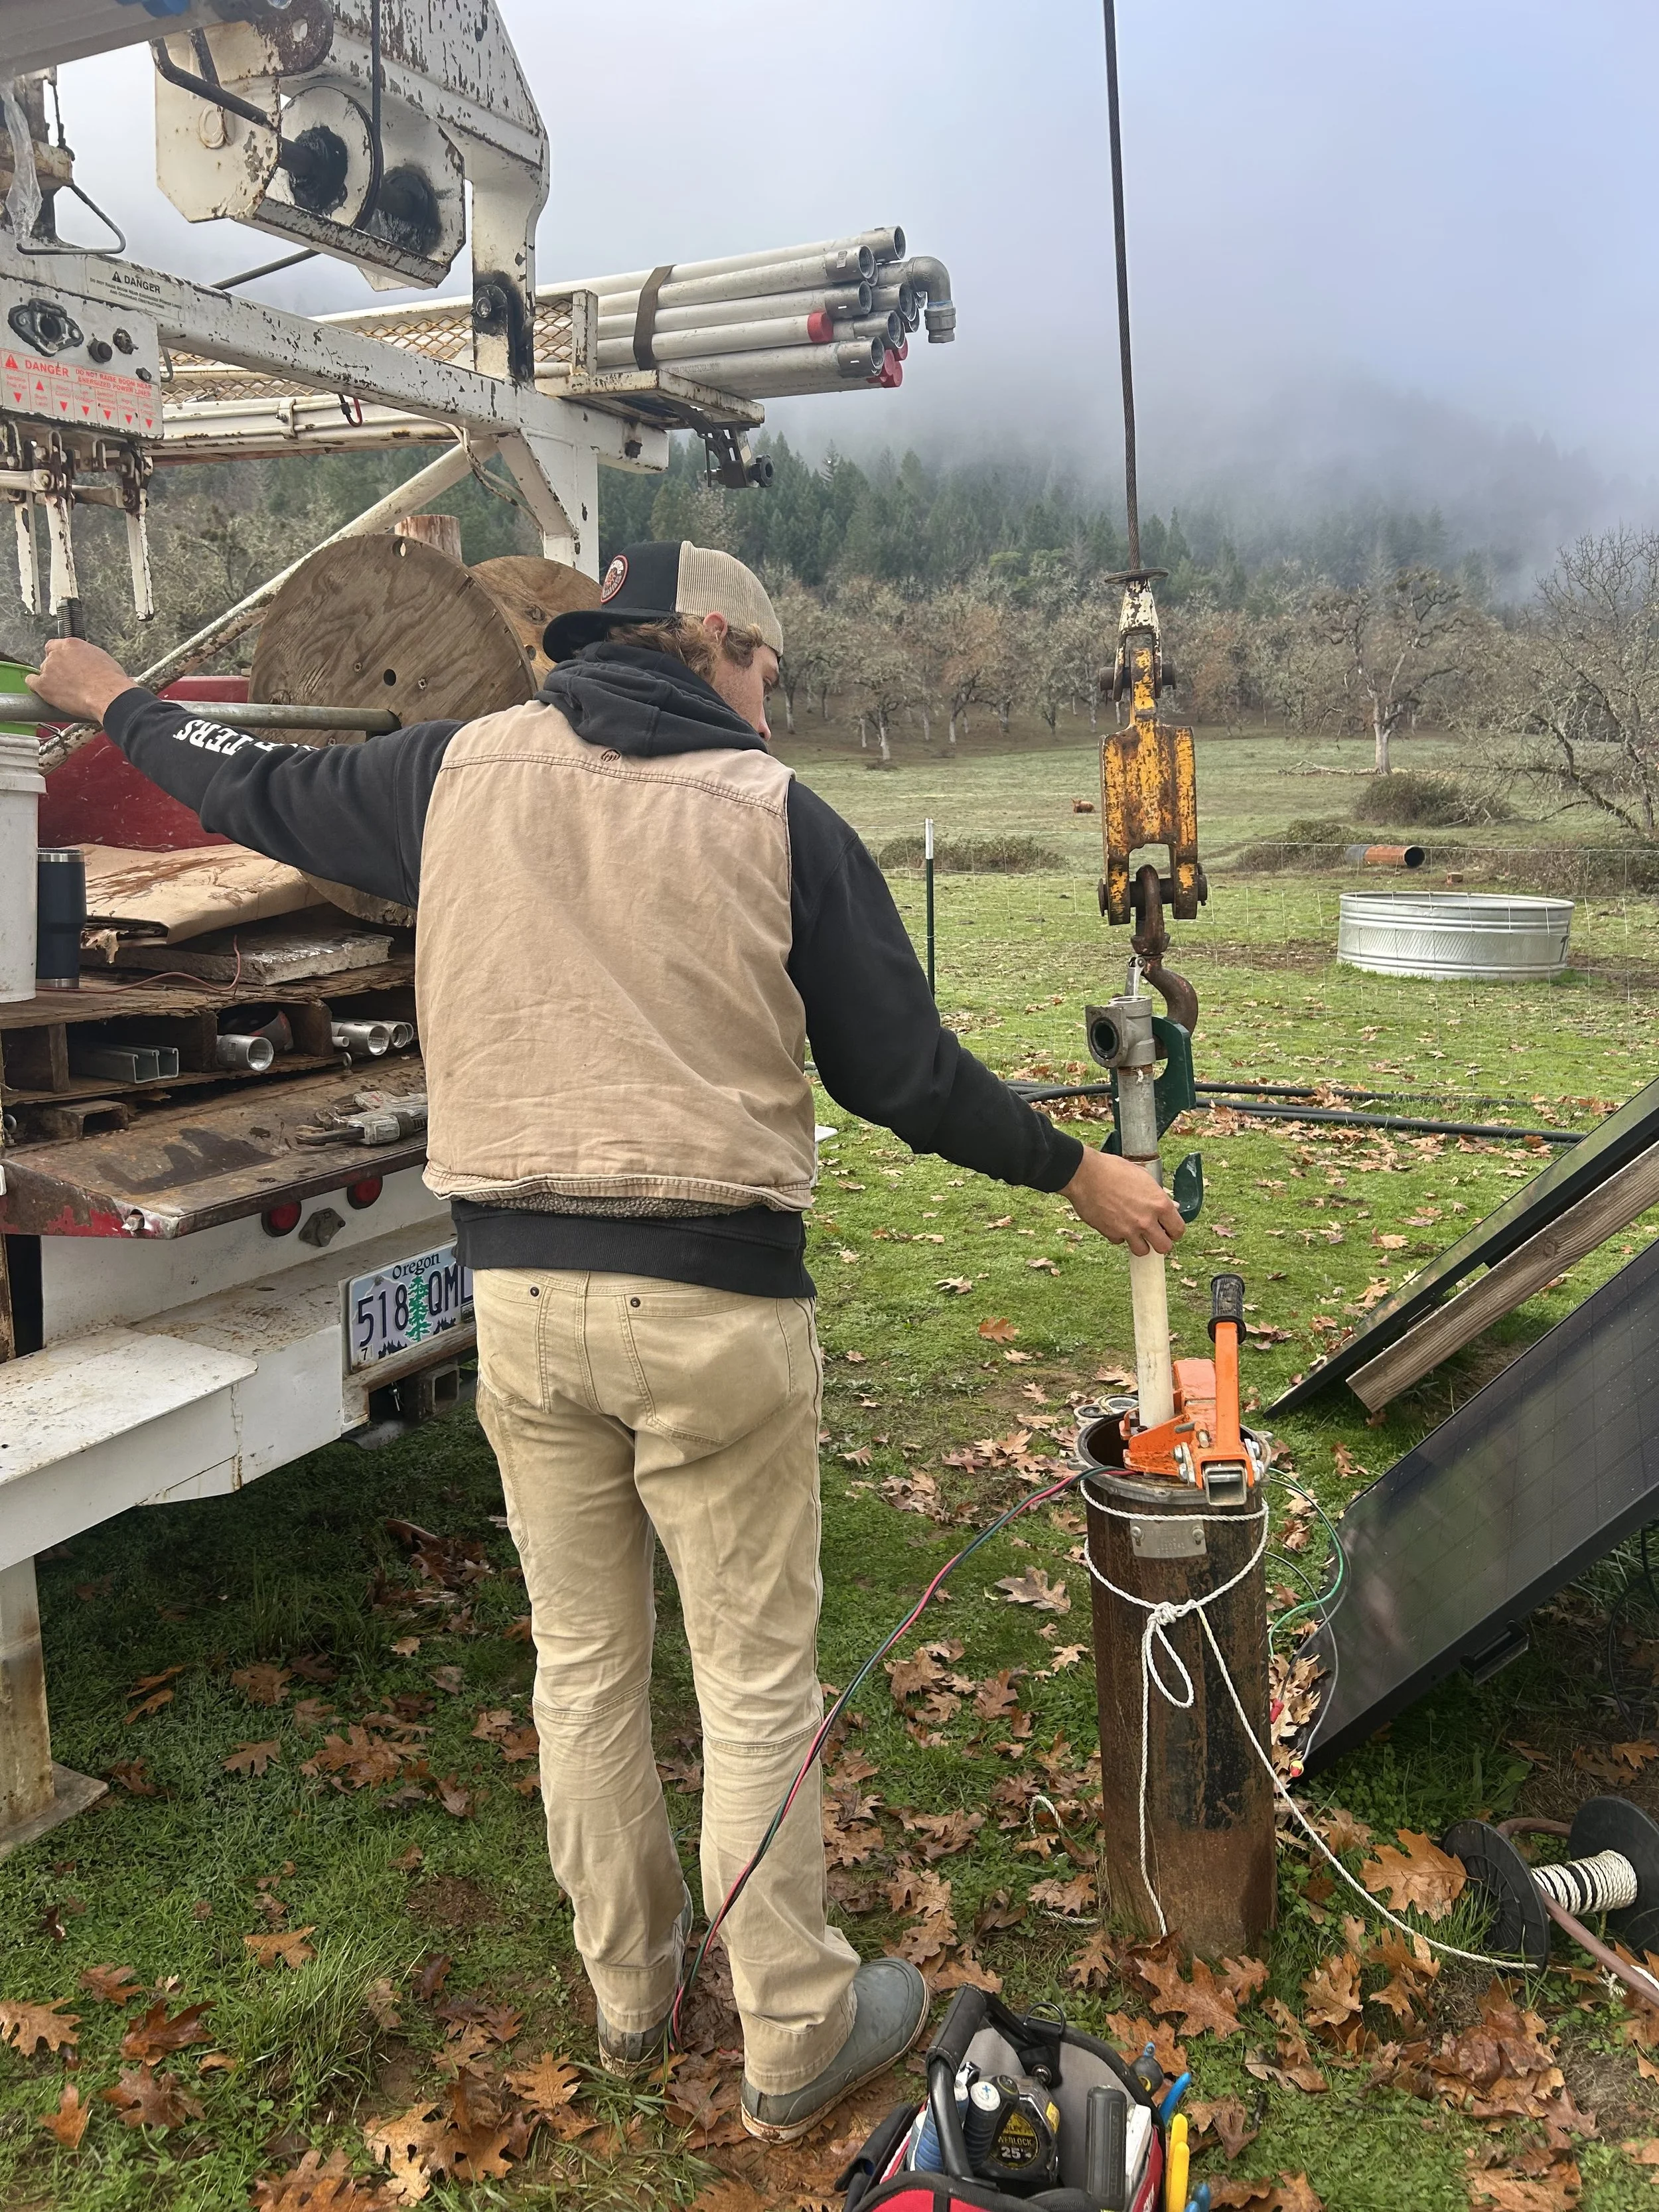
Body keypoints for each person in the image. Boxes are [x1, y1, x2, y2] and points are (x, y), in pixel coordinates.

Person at [31, 540, 1184, 2142]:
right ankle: (792, 2030)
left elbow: (252, 786)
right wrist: (1075, 1172)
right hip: (715, 1307)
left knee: (580, 1667)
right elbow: (901, 1074)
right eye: (767, 670)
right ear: (712, 641)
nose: (770, 704)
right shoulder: (780, 814)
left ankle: (629, 2001)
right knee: (752, 1681)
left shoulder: (446, 772)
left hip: (518, 1303)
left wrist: (115, 699)